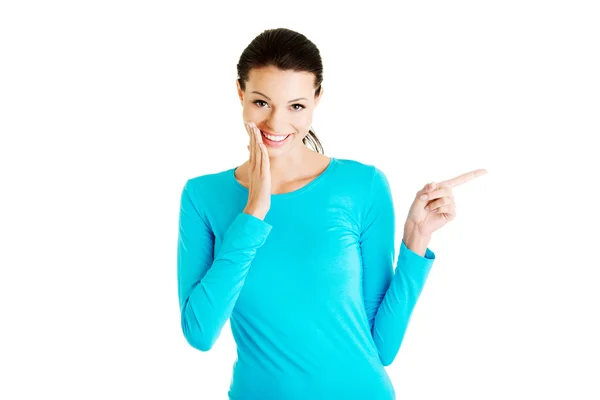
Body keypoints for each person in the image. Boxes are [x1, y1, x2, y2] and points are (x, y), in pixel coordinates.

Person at [177, 27, 487, 400]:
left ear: (316, 99)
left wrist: (416, 240)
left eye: (296, 106)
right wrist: (253, 214)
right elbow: (200, 333)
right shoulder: (202, 196)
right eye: (262, 102)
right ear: (240, 93)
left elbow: (382, 348)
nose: (276, 124)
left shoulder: (363, 186)